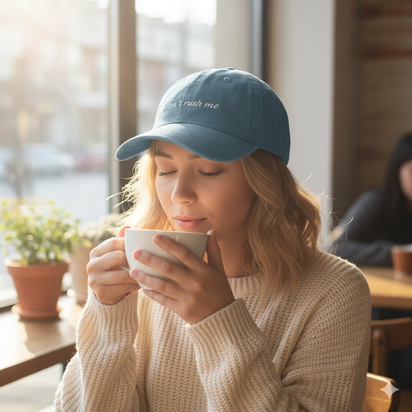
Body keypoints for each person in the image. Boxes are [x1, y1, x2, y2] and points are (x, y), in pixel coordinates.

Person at [55, 68, 371, 411]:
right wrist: (107, 317)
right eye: (166, 170)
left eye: (208, 171)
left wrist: (218, 320)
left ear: (262, 181)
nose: (180, 193)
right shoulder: (142, 277)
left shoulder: (335, 291)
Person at [330, 132, 412, 390]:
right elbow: (334, 247)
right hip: (378, 308)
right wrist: (397, 253)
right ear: (397, 171)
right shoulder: (376, 203)